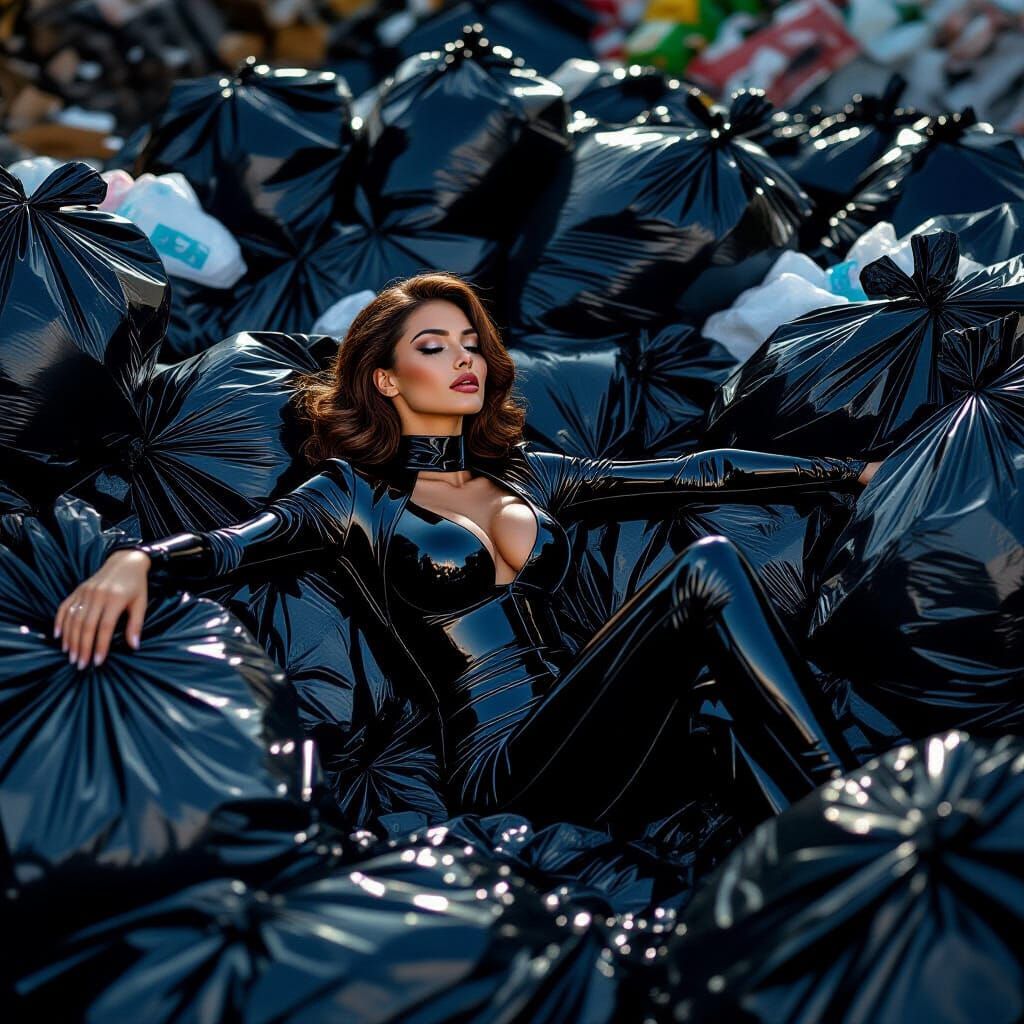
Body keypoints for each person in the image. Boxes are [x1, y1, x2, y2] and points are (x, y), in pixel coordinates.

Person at [54, 272, 879, 829]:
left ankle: (837, 859)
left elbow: (695, 472)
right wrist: (140, 562)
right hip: (504, 769)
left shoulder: (529, 475)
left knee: (719, 712)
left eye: (471, 342)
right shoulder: (350, 498)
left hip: (591, 734)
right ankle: (867, 809)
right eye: (433, 346)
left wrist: (853, 471)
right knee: (703, 575)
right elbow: (239, 548)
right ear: (382, 378)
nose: (464, 360)